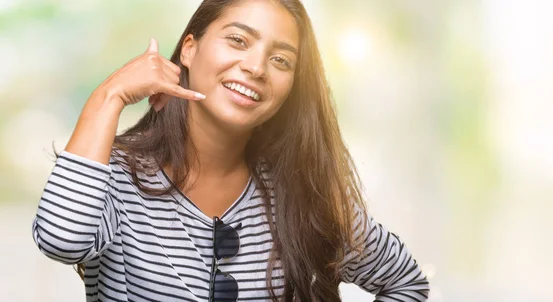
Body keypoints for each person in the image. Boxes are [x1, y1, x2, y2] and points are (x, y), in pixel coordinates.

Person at [31, 0, 430, 301]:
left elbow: (406, 282)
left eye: (281, 59)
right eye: (238, 40)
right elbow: (59, 239)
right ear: (189, 49)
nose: (256, 67)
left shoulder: (303, 194)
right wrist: (110, 94)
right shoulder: (114, 175)